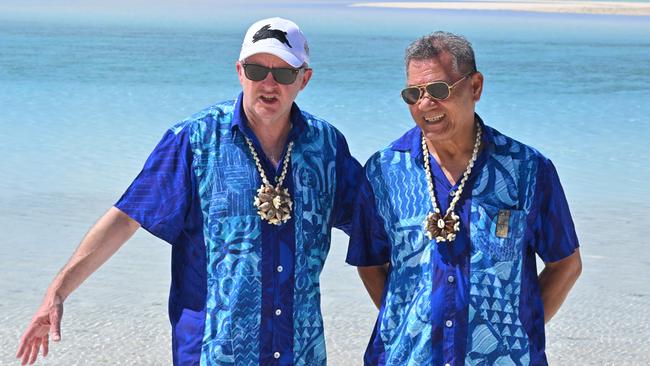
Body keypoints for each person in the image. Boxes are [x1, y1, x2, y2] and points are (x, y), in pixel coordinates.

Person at [16, 17, 361, 366]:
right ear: (240, 72)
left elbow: (376, 224)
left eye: (284, 73)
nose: (269, 83)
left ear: (304, 79)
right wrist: (58, 291)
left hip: (299, 354)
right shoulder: (195, 141)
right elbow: (125, 219)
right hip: (212, 353)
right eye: (257, 70)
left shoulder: (326, 147)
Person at [346, 31, 582, 365]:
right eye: (414, 94)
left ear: (475, 87)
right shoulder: (384, 171)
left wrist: (518, 330)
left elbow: (566, 264)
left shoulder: (527, 170)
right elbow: (370, 263)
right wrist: (407, 325)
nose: (425, 104)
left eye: (439, 90)